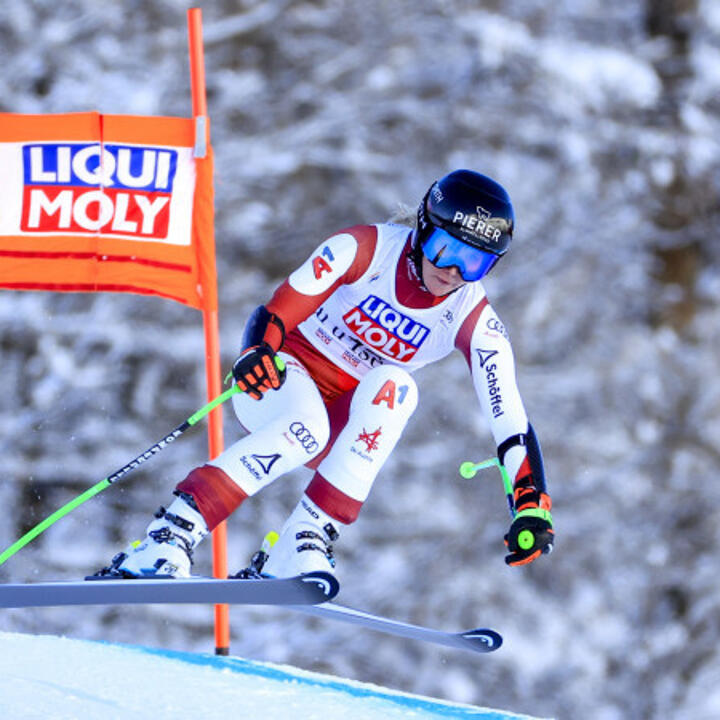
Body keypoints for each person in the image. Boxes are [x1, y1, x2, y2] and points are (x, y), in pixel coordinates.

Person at [97, 169, 554, 580]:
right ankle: (168, 535)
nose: (454, 271)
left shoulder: (473, 317)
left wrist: (530, 502)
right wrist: (256, 352)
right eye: (445, 249)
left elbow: (509, 418)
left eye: (475, 263)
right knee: (306, 428)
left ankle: (303, 540)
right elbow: (277, 311)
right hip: (276, 379)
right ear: (421, 228)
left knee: (397, 388)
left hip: (341, 420)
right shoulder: (363, 249)